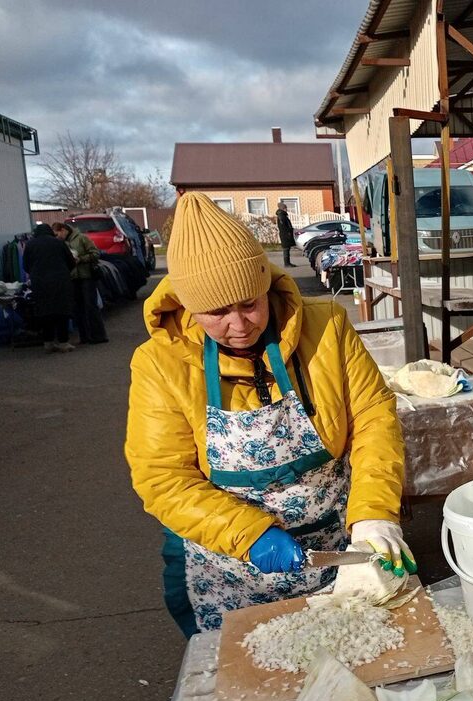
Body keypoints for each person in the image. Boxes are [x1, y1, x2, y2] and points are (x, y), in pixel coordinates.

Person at [125, 192, 409, 636]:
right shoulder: (159, 363)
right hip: (232, 566)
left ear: (266, 285)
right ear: (188, 306)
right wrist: (249, 535)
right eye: (217, 312)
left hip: (339, 548)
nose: (239, 325)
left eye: (249, 304)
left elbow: (374, 419)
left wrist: (374, 513)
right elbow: (163, 478)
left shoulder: (327, 326)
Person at [22, 223, 76, 352]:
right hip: (60, 281)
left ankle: (48, 343)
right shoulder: (59, 243)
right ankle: (63, 342)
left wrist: (35, 273)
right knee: (62, 312)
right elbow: (71, 262)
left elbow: (25, 265)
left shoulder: (30, 244)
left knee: (45, 313)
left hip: (40, 283)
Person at [52, 221, 107, 344]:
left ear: (63, 230)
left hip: (86, 276)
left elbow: (95, 253)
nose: (56, 237)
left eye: (57, 234)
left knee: (90, 306)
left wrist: (81, 259)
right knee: (77, 308)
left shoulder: (82, 238)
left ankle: (98, 335)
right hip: (73, 278)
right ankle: (84, 336)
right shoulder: (61, 243)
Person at [277, 201, 296, 268]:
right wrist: (288, 232)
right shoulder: (281, 216)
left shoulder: (282, 215)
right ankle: (287, 263)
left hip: (285, 234)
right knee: (286, 249)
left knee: (287, 249)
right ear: (283, 208)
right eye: (285, 208)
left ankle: (288, 263)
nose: (286, 209)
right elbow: (283, 226)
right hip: (285, 235)